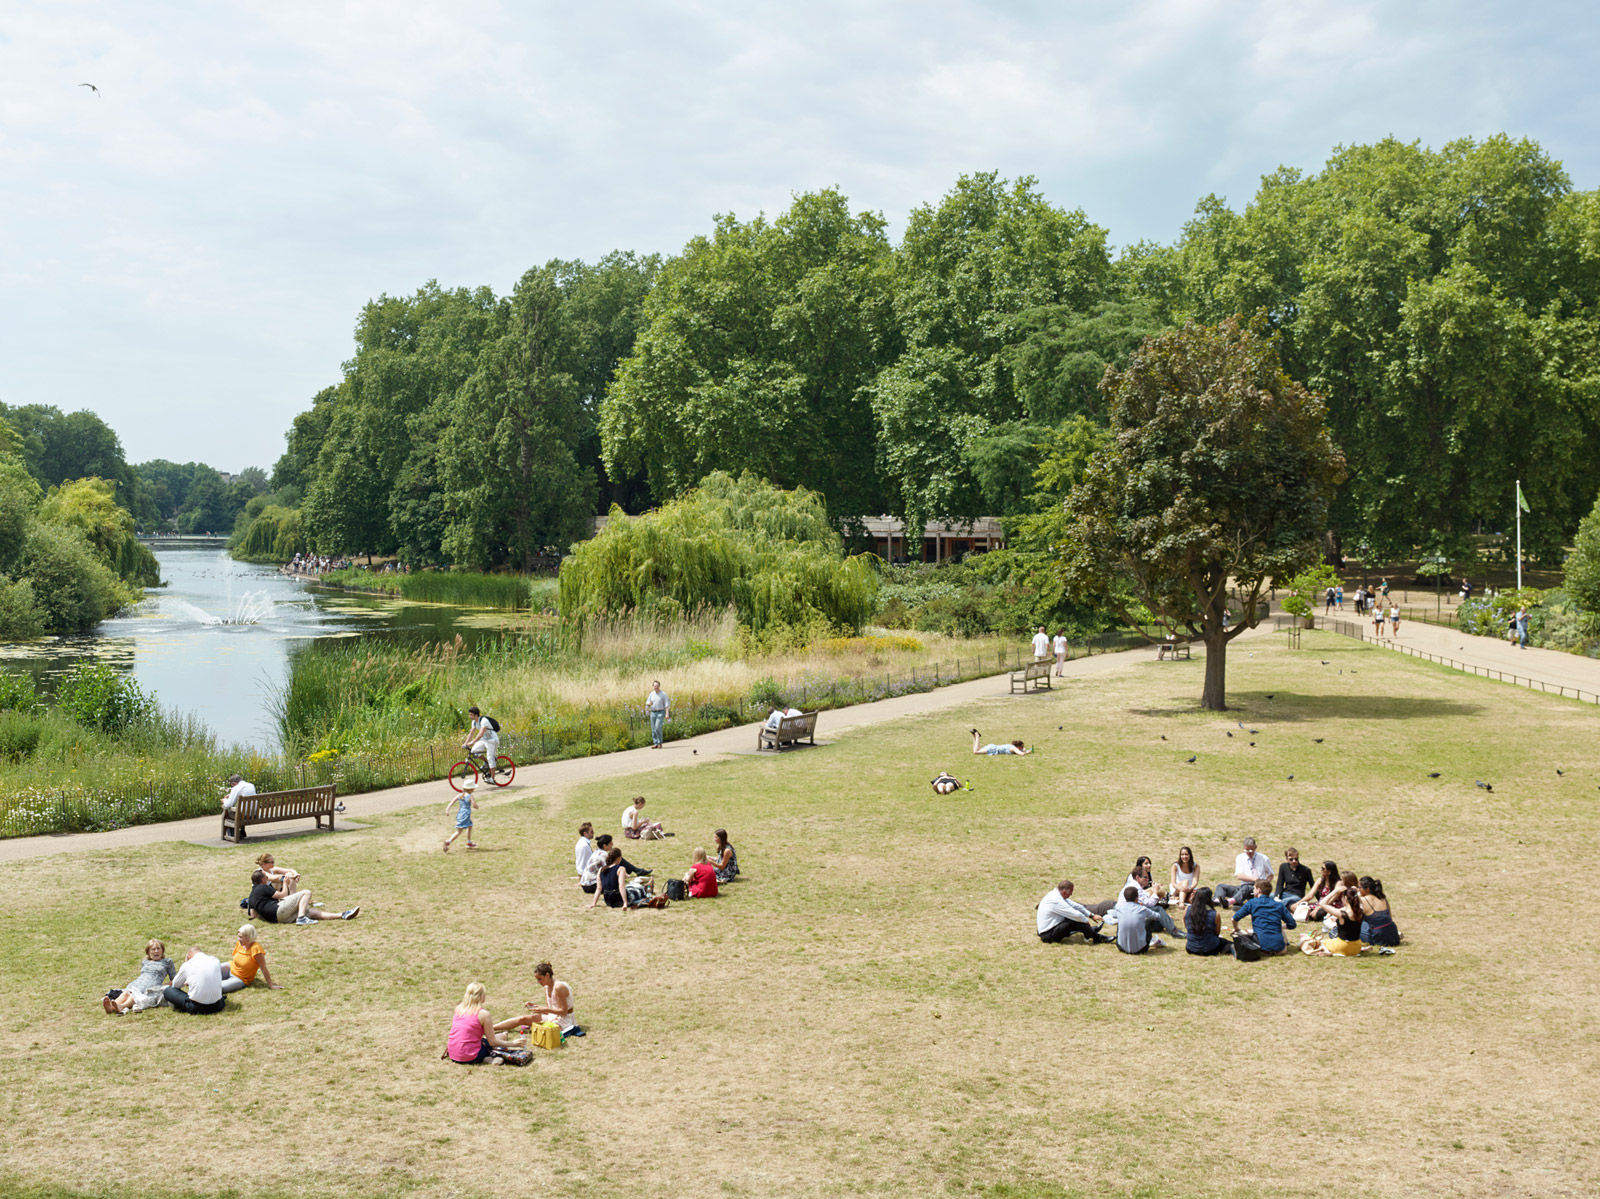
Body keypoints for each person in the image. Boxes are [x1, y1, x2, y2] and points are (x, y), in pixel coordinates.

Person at [492, 962, 579, 1038]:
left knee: (545, 1032)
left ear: (547, 975)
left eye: (540, 979)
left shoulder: (559, 987)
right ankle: (491, 1028)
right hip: (553, 1017)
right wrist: (536, 1007)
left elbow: (563, 1012)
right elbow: (550, 1011)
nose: (538, 982)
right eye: (537, 979)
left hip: (565, 1020)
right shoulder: (546, 987)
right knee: (522, 1019)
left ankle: (532, 1027)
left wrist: (544, 1009)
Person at [246, 867, 358, 924]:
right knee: (306, 892)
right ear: (261, 879)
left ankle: (342, 915)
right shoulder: (263, 887)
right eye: (266, 877)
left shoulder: (251, 895)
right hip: (279, 910)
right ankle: (301, 919)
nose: (267, 878)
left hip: (277, 919)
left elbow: (253, 914)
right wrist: (285, 883)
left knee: (311, 912)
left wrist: (265, 918)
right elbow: (283, 895)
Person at [445, 981, 518, 1064]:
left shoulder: (458, 1009)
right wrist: (514, 1044)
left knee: (490, 1040)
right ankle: (486, 1058)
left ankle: (500, 1039)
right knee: (494, 1041)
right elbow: (492, 1041)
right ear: (480, 996)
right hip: (470, 1055)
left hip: (453, 1053)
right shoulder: (484, 1014)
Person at [104, 938, 176, 1014]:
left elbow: (174, 979)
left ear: (162, 950)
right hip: (138, 982)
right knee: (126, 993)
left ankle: (121, 1006)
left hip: (152, 986)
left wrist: (164, 985)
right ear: (148, 952)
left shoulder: (167, 962)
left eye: (158, 948)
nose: (156, 951)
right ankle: (111, 1007)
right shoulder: (145, 962)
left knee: (133, 995)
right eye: (153, 949)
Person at [1231, 878, 1297, 954]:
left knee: (1238, 935)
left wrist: (1236, 929)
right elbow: (1292, 924)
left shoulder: (1252, 903)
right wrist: (1279, 927)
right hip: (1279, 949)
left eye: (1254, 889)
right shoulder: (1279, 905)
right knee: (1280, 930)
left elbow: (1234, 919)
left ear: (1259, 890)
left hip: (1259, 947)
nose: (1253, 891)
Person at [1303, 873, 1364, 956]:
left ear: (1345, 898)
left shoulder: (1342, 914)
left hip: (1343, 946)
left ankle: (1328, 952)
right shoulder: (1360, 911)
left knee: (1322, 942)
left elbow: (1322, 904)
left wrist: (1335, 890)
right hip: (1357, 946)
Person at [1036, 879, 1111, 944]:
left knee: (1073, 919)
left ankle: (1090, 932)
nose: (1071, 894)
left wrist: (1091, 915)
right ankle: (1096, 937)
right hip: (1047, 935)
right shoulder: (1056, 901)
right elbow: (1076, 915)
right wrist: (1086, 922)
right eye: (1071, 892)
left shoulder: (1057, 894)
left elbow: (1076, 906)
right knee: (1073, 920)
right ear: (1064, 892)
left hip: (1050, 928)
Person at [162, 946, 227, 1015]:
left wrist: (186, 964)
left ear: (188, 956)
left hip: (197, 1007)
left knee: (168, 991)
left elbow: (175, 985)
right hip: (219, 1005)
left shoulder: (187, 964)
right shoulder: (215, 960)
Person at [220, 923, 281, 994]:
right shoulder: (240, 944)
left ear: (248, 937)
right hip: (230, 967)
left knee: (220, 988)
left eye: (241, 937)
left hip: (241, 978)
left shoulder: (256, 950)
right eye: (238, 936)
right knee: (210, 970)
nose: (238, 939)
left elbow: (263, 968)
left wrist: (271, 985)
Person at [1214, 837, 1271, 909]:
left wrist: (1264, 886)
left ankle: (1229, 902)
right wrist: (1254, 879)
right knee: (1221, 886)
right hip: (1243, 886)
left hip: (1256, 888)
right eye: (1246, 850)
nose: (1249, 853)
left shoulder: (1263, 858)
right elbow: (1239, 876)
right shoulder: (1240, 857)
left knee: (1247, 888)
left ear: (1256, 847)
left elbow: (1270, 874)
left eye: (1251, 850)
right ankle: (1217, 901)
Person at [1110, 886, 1165, 954]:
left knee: (1121, 922)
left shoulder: (1119, 908)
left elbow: (1113, 914)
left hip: (1121, 947)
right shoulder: (1142, 909)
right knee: (1148, 922)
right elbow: (1158, 916)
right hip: (1141, 949)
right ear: (1137, 898)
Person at [1183, 888, 1229, 956]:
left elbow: (1186, 925)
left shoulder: (1187, 909)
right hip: (1210, 949)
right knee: (1227, 943)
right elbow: (1217, 932)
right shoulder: (1215, 914)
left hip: (1190, 948)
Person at [1358, 877, 1400, 946]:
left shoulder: (1363, 900)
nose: (1358, 889)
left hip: (1378, 937)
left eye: (1359, 887)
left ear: (1367, 889)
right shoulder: (1382, 897)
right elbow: (1390, 917)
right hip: (1393, 934)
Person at [462, 705, 499, 775]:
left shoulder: (484, 721)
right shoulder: (474, 722)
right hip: (484, 740)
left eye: (471, 715)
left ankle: (492, 778)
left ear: (476, 715)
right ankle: (486, 762)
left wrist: (472, 742)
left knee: (490, 757)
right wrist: (465, 743)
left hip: (492, 740)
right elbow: (471, 733)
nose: (469, 716)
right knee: (474, 751)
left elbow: (480, 734)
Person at [444, 784, 477, 852]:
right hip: (465, 815)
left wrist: (447, 809)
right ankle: (448, 842)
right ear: (471, 789)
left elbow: (451, 802)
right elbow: (474, 805)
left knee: (470, 826)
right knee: (459, 831)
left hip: (460, 814)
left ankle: (469, 842)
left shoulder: (460, 795)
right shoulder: (470, 796)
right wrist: (477, 806)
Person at [644, 680, 671, 748]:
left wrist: (667, 714)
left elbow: (667, 705)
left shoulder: (663, 694)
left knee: (657, 726)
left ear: (659, 686)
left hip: (660, 712)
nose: (656, 687)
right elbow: (647, 702)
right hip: (653, 712)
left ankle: (660, 742)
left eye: (657, 686)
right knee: (653, 728)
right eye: (654, 686)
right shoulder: (651, 694)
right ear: (653, 686)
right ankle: (656, 743)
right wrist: (648, 704)